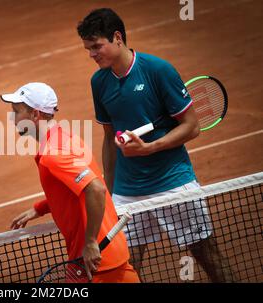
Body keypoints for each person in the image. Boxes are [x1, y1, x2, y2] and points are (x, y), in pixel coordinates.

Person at [76, 8, 235, 282]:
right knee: (125, 266)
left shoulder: (157, 70)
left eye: (96, 46)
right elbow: (108, 137)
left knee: (207, 255)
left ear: (117, 38)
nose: (92, 54)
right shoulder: (99, 82)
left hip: (173, 184)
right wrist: (113, 193)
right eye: (88, 48)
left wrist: (150, 148)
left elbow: (191, 126)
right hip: (128, 193)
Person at [0, 82, 140, 283]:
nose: (12, 117)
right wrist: (41, 208)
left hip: (95, 261)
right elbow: (78, 188)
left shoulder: (53, 154)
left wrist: (91, 241)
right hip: (108, 250)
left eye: (16, 111)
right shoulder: (65, 137)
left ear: (35, 115)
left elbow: (96, 189)